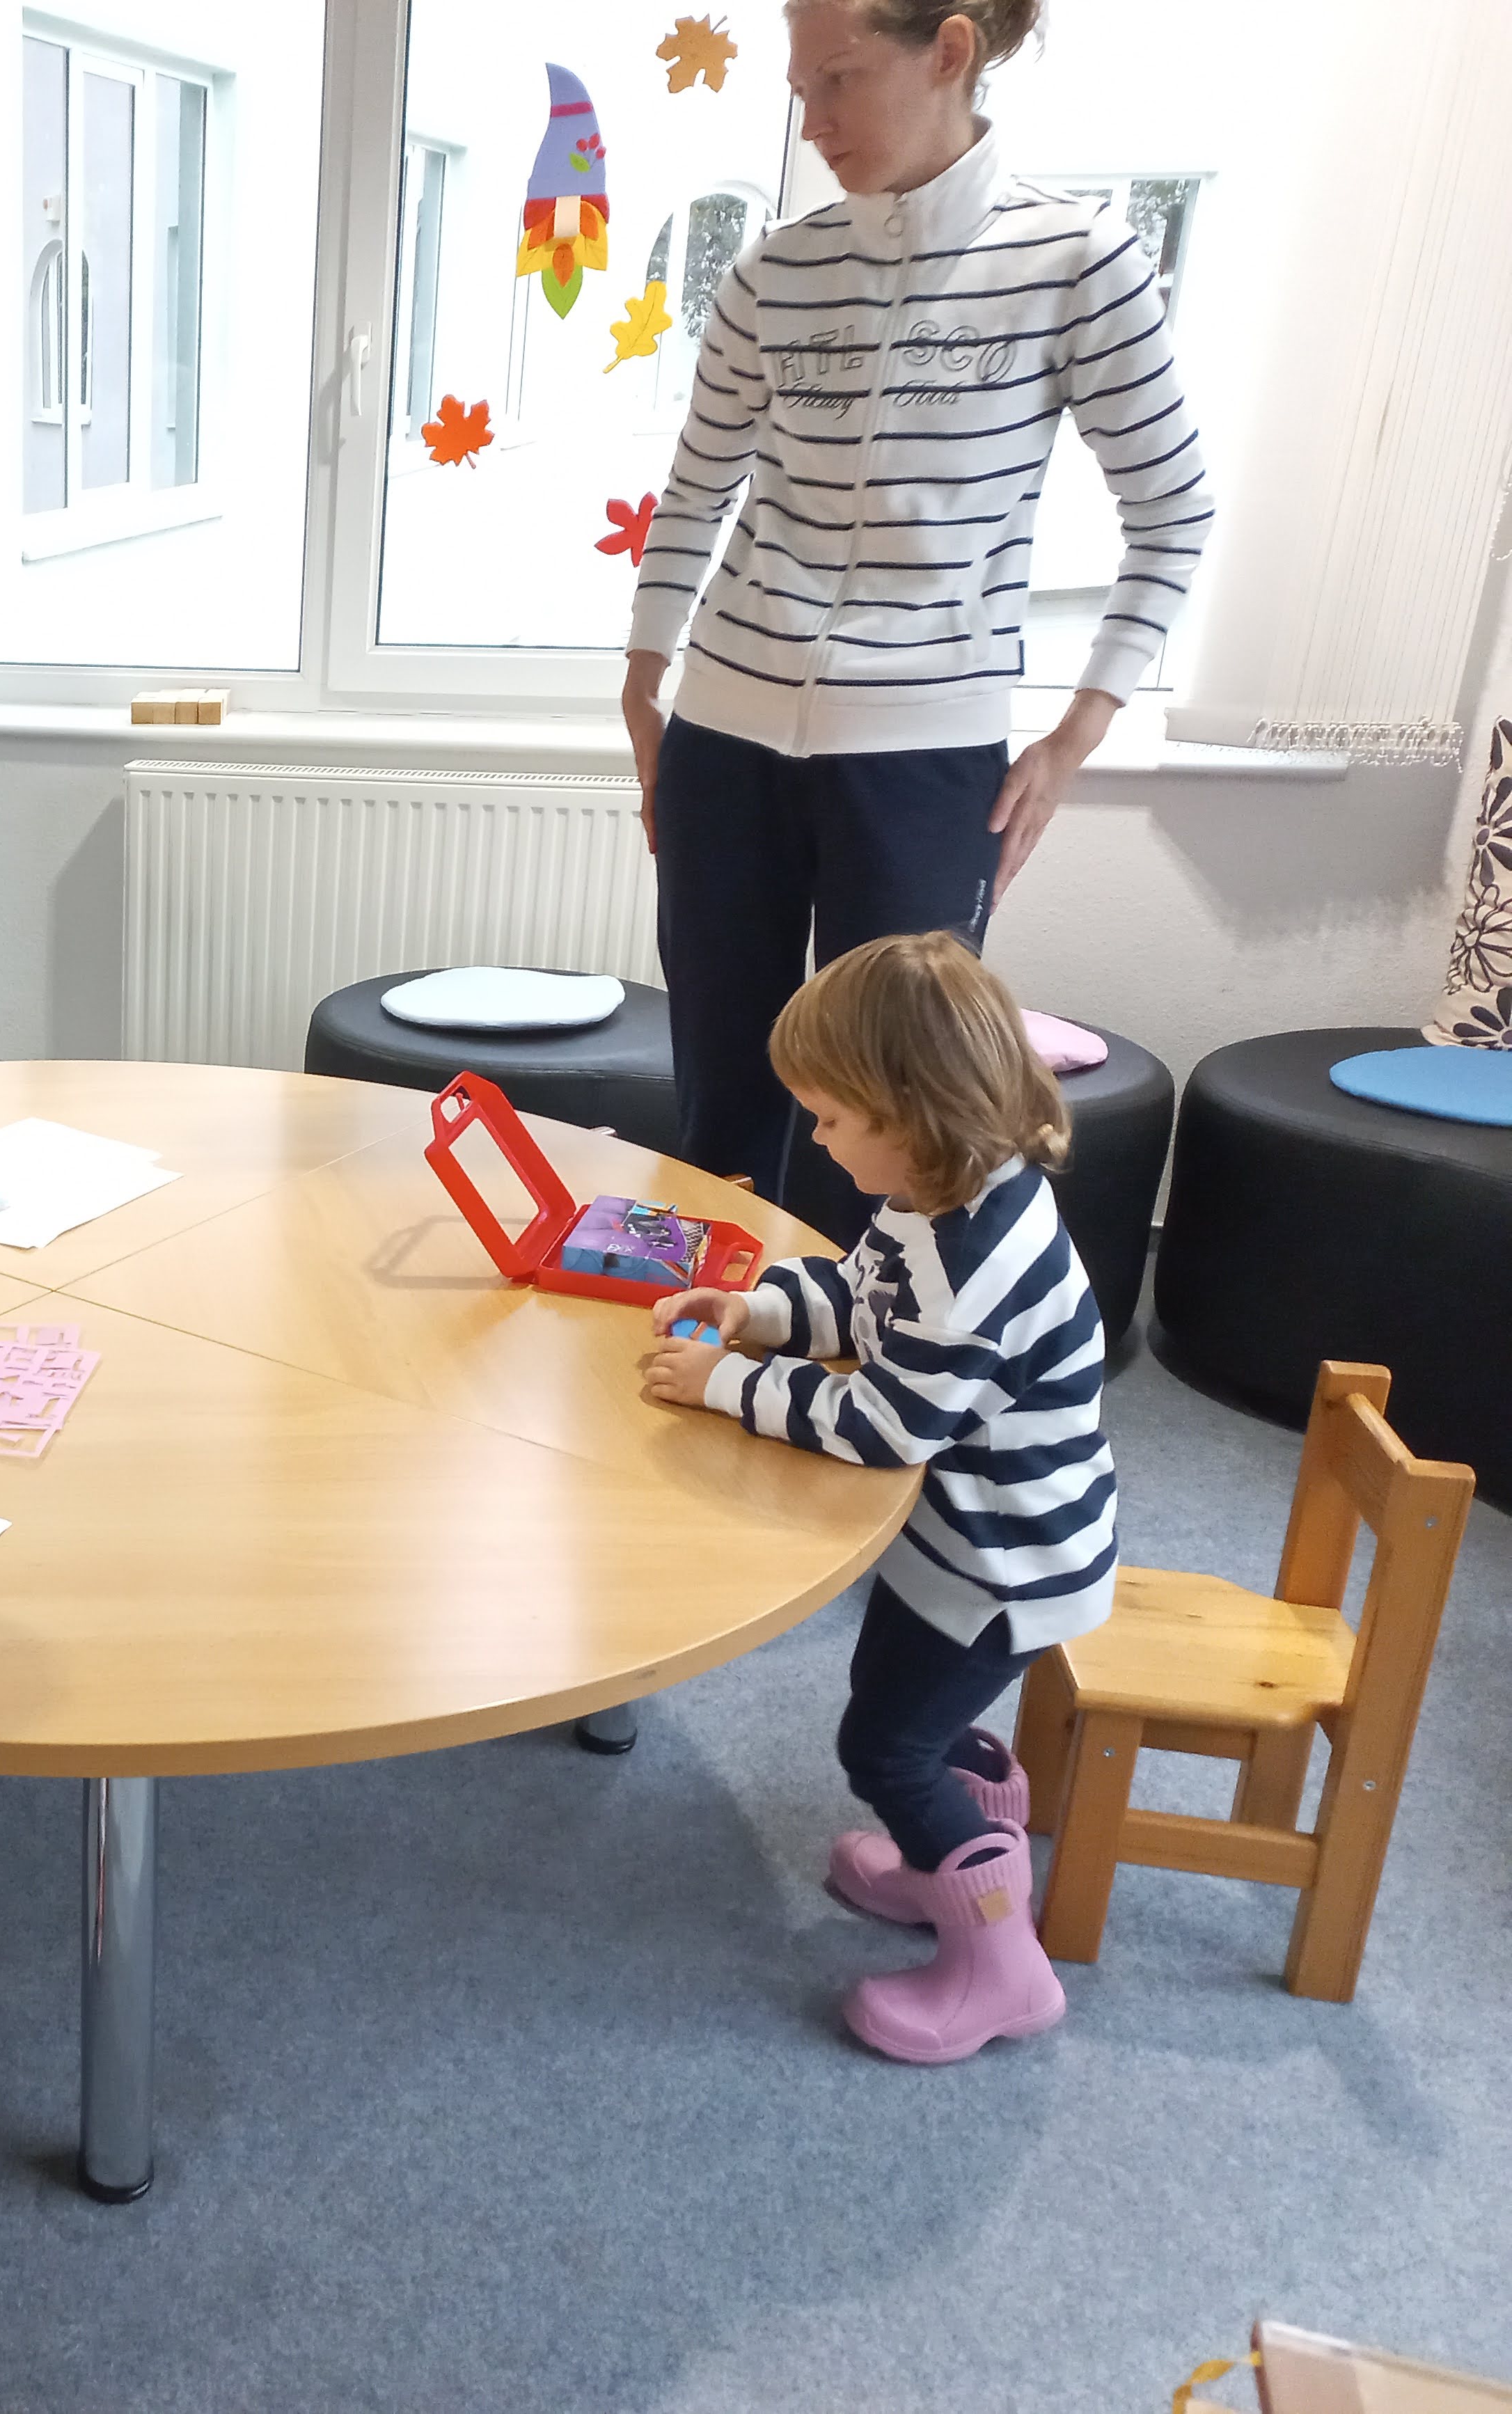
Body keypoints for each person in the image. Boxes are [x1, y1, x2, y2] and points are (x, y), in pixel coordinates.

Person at [621, 0, 1211, 1204]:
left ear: (947, 52)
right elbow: (692, 495)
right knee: (722, 1089)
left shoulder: (1076, 262)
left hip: (925, 757)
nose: (813, 122)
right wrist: (641, 685)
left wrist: (1073, 736)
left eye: (837, 81)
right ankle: (714, 1312)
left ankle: (861, 1326)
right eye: (800, 90)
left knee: (892, 1105)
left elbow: (1172, 511)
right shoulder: (772, 270)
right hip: (722, 738)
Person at [639, 932, 1112, 2063]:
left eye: (830, 1118)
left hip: (1001, 1563)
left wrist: (726, 1383)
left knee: (885, 1747)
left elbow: (886, 1423)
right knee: (903, 1715)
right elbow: (861, 1303)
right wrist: (757, 1312)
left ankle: (1002, 1965)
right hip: (959, 1539)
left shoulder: (972, 1265)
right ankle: (946, 1856)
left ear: (914, 1115)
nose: (813, 1137)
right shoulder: (930, 1197)